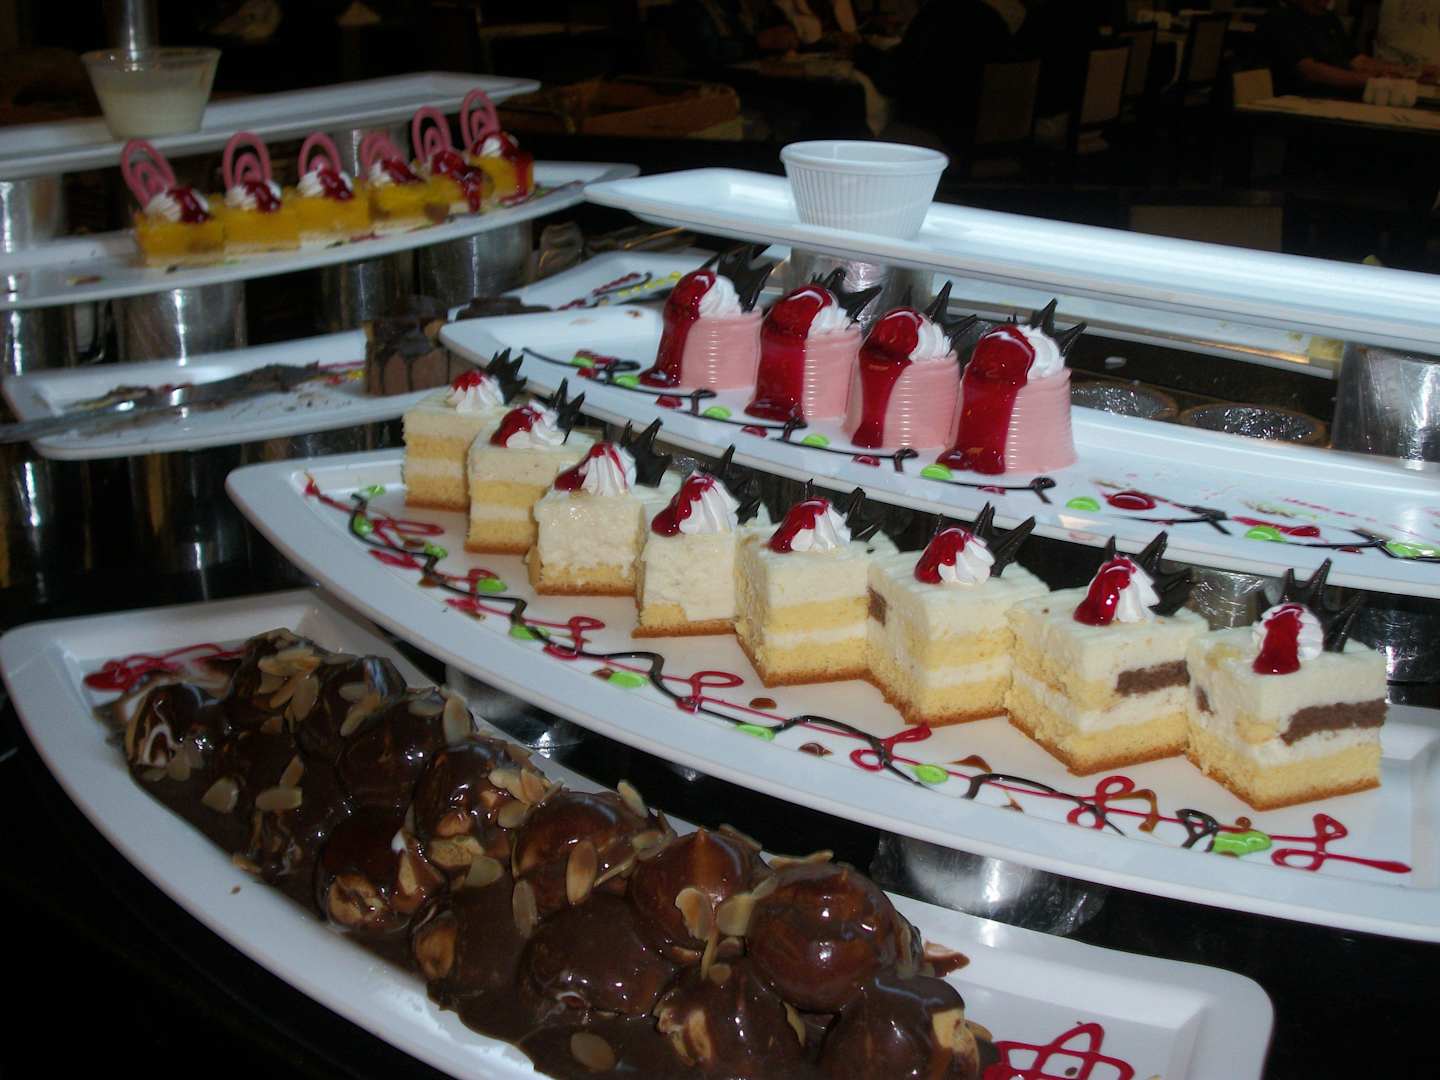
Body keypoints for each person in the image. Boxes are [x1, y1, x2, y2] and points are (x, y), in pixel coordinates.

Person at [1260, 0, 1422, 94]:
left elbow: (1358, 61)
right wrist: (1374, 81)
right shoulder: (1280, 18)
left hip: (1332, 101)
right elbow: (1311, 71)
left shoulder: (1329, 19)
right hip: (1294, 107)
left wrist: (1409, 72)